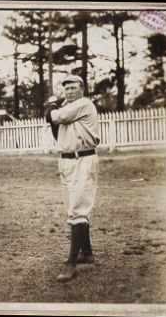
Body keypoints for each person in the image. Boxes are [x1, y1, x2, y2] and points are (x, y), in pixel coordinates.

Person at [45, 75, 100, 282]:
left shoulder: (83, 104)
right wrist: (53, 108)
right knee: (74, 208)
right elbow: (54, 127)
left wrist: (51, 104)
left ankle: (71, 264)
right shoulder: (68, 109)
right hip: (67, 160)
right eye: (65, 87)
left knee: (78, 210)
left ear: (82, 88)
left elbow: (51, 116)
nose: (68, 91)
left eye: (73, 87)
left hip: (83, 159)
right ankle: (87, 253)